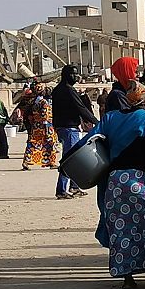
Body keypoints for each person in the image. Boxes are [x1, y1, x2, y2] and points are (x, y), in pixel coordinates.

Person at [81, 80, 145, 289]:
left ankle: (128, 280)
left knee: (121, 228)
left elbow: (88, 142)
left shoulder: (110, 118)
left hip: (115, 182)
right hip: (139, 180)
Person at [51, 65, 98, 199]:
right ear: (66, 75)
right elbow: (81, 108)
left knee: (74, 159)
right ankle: (61, 190)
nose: (76, 77)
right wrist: (97, 122)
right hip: (69, 128)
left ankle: (74, 186)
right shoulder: (68, 90)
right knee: (69, 159)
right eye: (73, 74)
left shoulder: (57, 90)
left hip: (62, 127)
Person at [21, 84, 58, 170]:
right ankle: (51, 162)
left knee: (33, 143)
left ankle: (26, 161)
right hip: (46, 126)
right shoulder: (44, 102)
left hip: (35, 126)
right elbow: (45, 115)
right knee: (51, 143)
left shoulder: (33, 101)